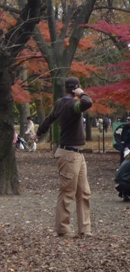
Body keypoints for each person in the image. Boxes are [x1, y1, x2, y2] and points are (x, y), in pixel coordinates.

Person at [30, 76, 92, 238]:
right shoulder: (72, 105)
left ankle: (84, 228)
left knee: (84, 192)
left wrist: (38, 134)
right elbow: (87, 103)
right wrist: (82, 93)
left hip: (77, 154)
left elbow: (48, 119)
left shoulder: (59, 103)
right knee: (67, 192)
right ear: (75, 89)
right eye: (78, 88)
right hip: (69, 154)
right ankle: (63, 229)